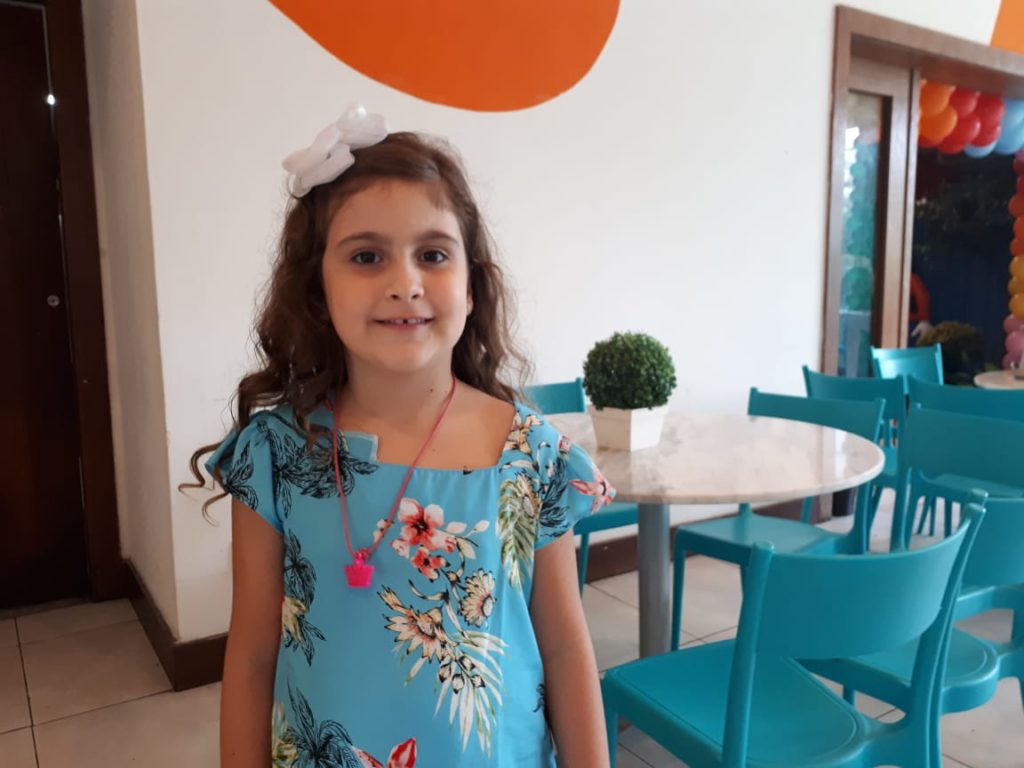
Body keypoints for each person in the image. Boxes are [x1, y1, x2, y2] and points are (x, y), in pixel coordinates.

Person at [185, 106, 614, 767]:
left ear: (472, 287)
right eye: (367, 256)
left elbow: (563, 648)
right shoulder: (274, 455)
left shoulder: (531, 454)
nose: (404, 284)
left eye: (433, 255)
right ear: (317, 290)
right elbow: (250, 655)